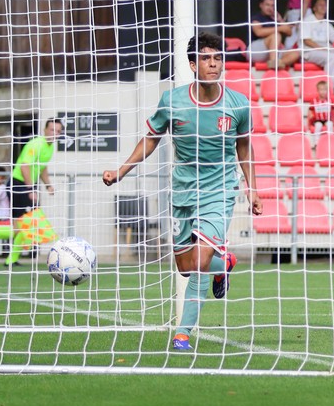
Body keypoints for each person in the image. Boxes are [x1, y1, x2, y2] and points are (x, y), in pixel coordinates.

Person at [103, 32, 262, 351]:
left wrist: (252, 189)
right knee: (186, 266)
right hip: (183, 191)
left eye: (218, 58)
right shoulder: (172, 101)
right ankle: (224, 264)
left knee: (201, 258)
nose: (213, 64)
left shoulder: (238, 104)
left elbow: (243, 146)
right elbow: (151, 138)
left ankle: (183, 333)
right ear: (193, 64)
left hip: (220, 189)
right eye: (206, 58)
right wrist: (122, 169)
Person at [0, 120, 64, 266]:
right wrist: (30, 189)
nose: (55, 133)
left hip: (25, 186)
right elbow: (24, 167)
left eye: (58, 131)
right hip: (18, 185)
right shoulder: (36, 144)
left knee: (23, 227)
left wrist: (48, 185)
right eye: (52, 129)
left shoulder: (50, 148)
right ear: (44, 130)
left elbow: (42, 168)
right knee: (24, 225)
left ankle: (11, 259)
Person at [299, 0, 334, 83]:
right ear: (314, 8)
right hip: (310, 51)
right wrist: (322, 48)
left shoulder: (326, 23)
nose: (323, 7)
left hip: (326, 51)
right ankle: (330, 87)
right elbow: (307, 41)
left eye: (325, 5)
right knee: (332, 57)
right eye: (320, 5)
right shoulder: (307, 20)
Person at [247, 0, 299, 69]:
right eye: (267, 5)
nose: (270, 8)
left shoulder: (274, 18)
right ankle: (274, 62)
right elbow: (258, 32)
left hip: (272, 53)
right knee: (276, 35)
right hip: (256, 51)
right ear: (261, 5)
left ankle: (277, 64)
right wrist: (279, 28)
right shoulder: (257, 17)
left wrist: (280, 20)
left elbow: (289, 33)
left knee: (296, 53)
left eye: (272, 5)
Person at [306, 80, 334, 148]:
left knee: (330, 124)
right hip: (317, 119)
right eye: (321, 90)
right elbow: (310, 110)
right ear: (318, 91)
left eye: (325, 90)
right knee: (318, 126)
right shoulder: (314, 101)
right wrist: (310, 118)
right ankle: (317, 143)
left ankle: (331, 141)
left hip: (327, 119)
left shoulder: (329, 100)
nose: (323, 91)